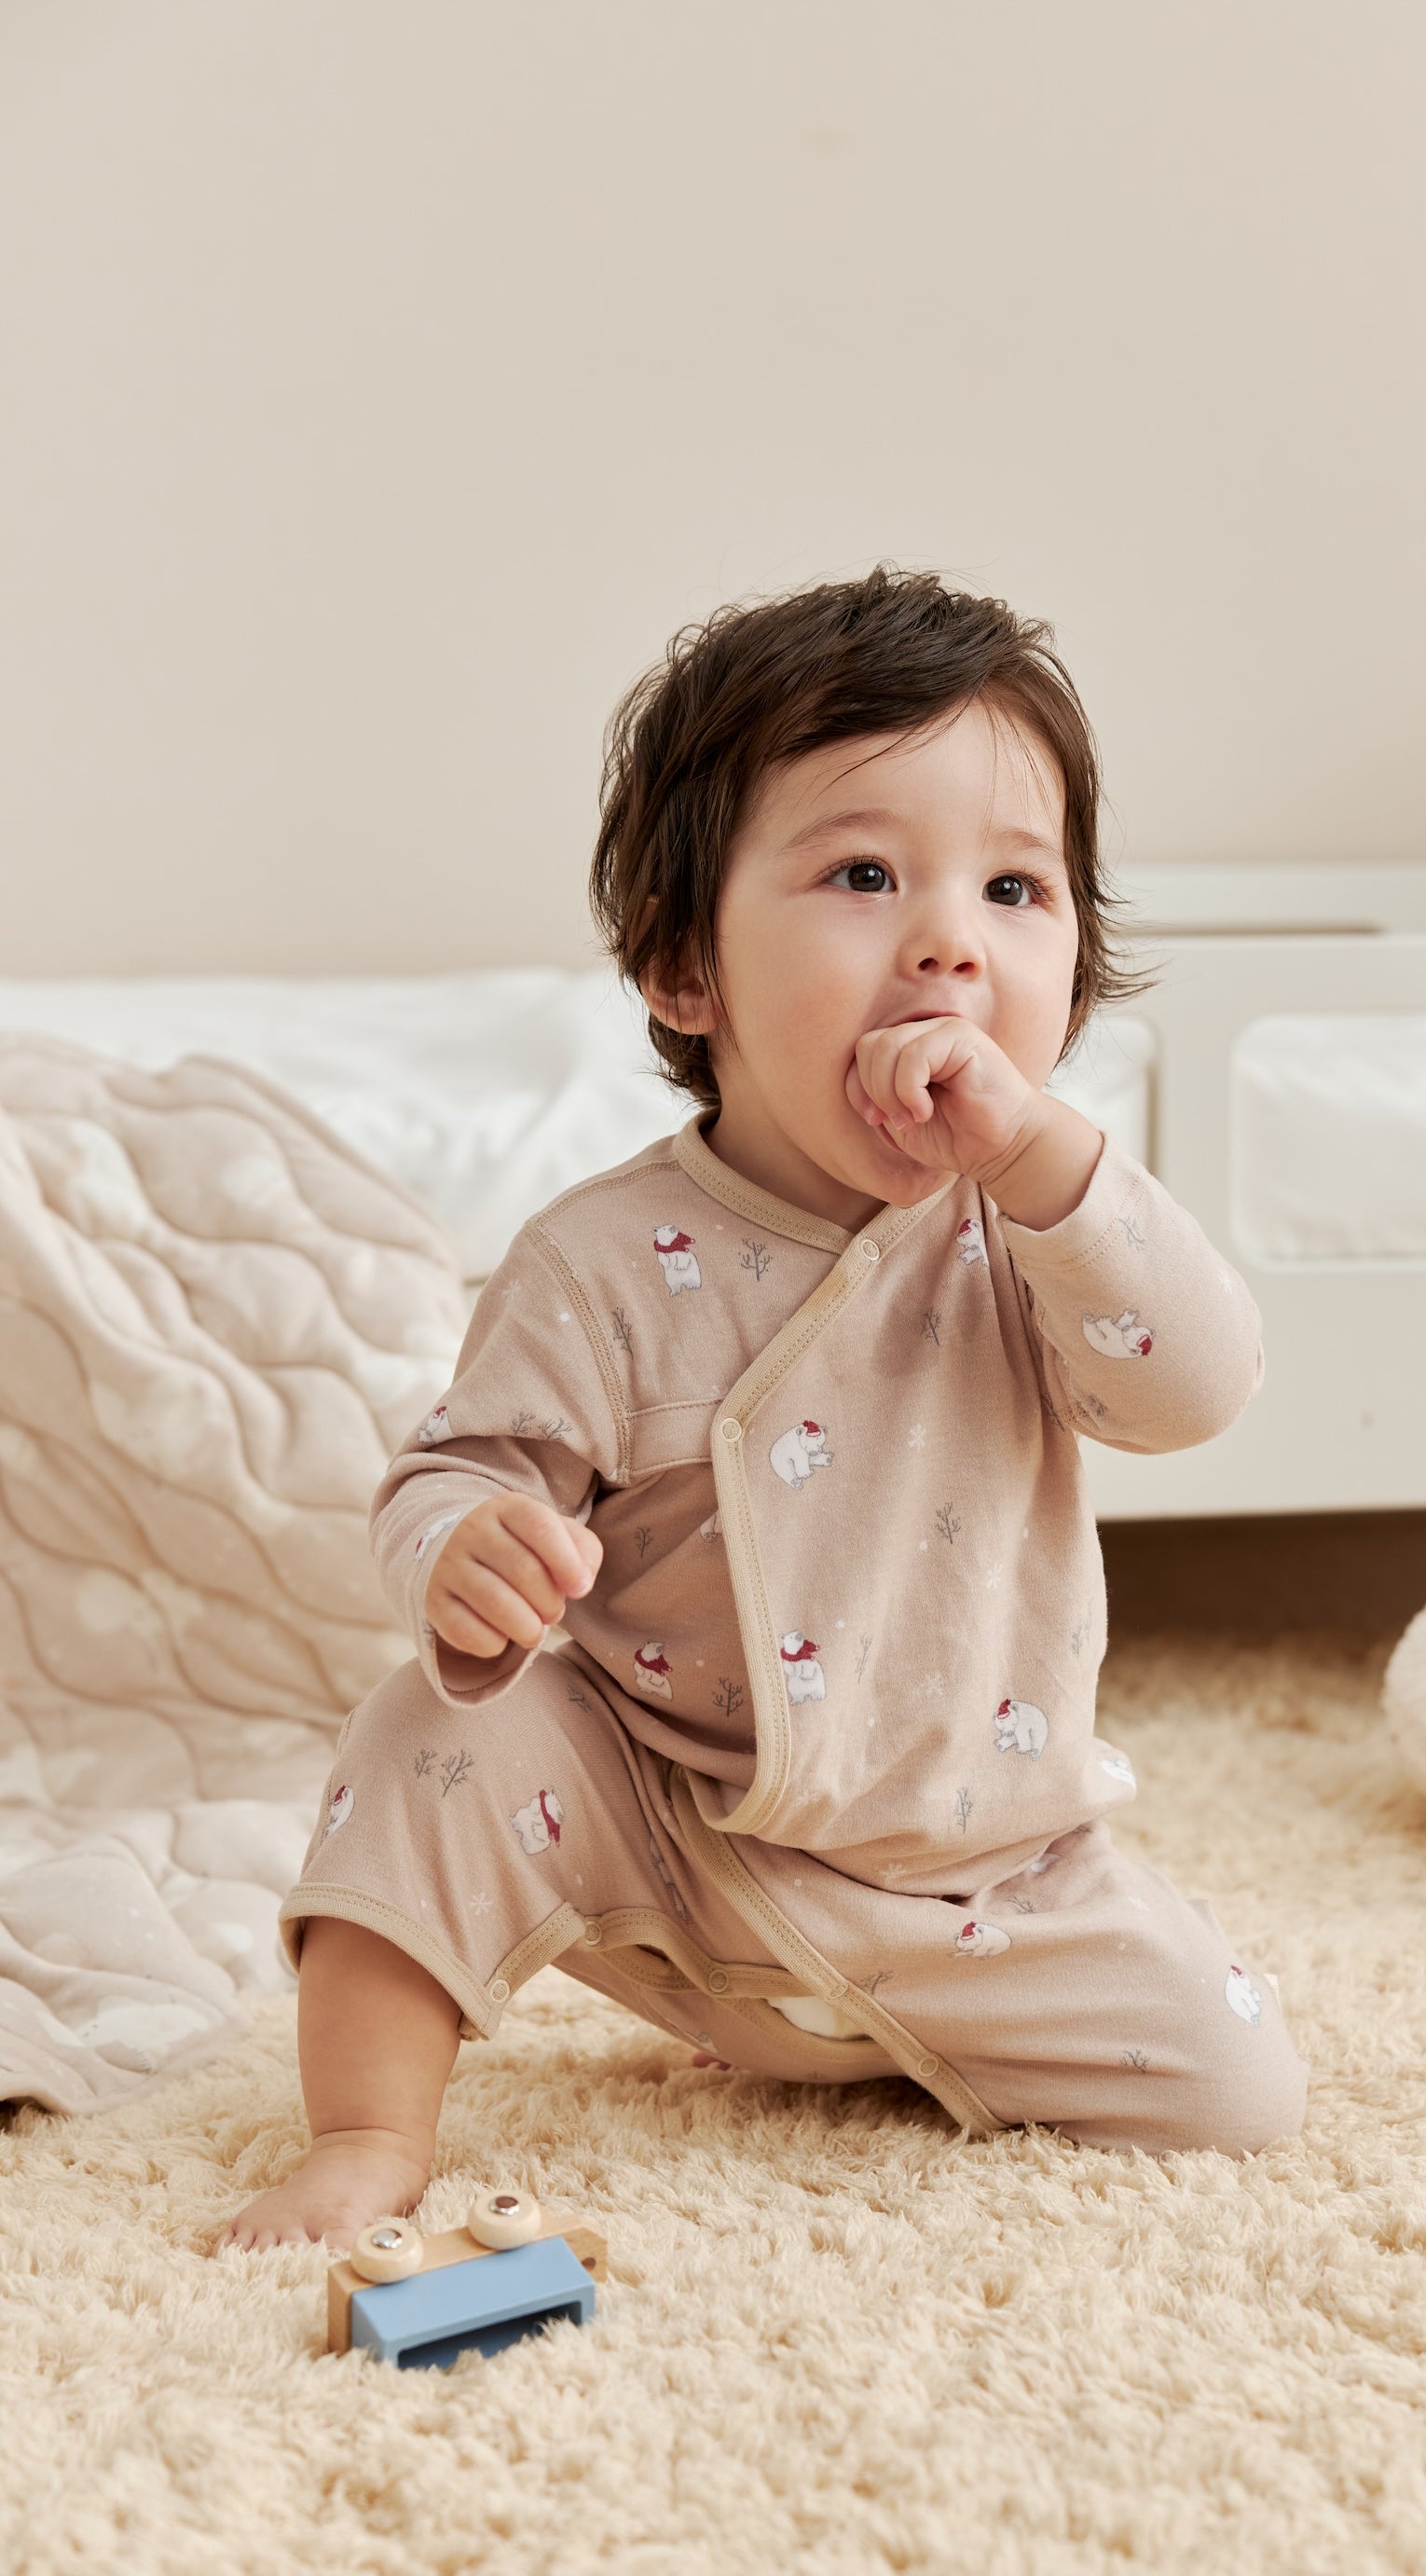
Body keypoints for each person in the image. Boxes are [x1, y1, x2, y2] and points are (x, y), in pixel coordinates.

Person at [219, 567, 1307, 2250]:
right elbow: (458, 1467)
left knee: (1238, 2099)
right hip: (669, 1831)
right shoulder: (598, 1256)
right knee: (430, 1737)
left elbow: (1198, 1384)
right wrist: (467, 1549)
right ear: (683, 971)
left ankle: (905, 2030)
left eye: (1015, 889)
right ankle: (366, 2131)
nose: (951, 936)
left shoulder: (1040, 1232)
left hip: (981, 1874)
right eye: (864, 874)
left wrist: (1042, 1170)